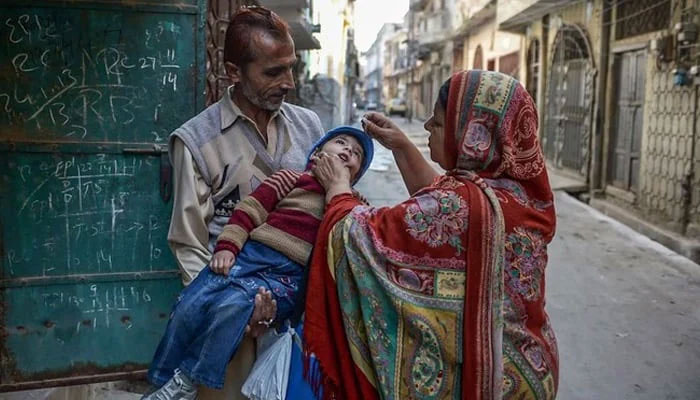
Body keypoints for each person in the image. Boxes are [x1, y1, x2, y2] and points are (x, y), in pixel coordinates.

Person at [304, 70, 559, 399]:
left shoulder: (463, 205)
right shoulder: (515, 195)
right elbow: (442, 194)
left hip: (493, 385)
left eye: (437, 124)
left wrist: (339, 190)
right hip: (533, 368)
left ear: (471, 137)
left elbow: (360, 234)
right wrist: (400, 145)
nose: (426, 127)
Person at [165, 6, 324, 399]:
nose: (288, 82)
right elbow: (189, 244)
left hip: (298, 315)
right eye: (273, 72)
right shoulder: (197, 141)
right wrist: (235, 307)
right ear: (234, 72)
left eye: (291, 67)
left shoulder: (309, 128)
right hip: (229, 322)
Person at [145, 127, 374, 400]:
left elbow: (354, 244)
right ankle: (163, 380)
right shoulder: (289, 179)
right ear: (316, 154)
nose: (348, 151)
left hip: (287, 278)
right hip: (252, 256)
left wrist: (344, 194)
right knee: (191, 301)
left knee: (232, 308)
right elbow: (249, 211)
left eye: (357, 154)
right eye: (340, 143)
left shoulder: (349, 203)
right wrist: (228, 247)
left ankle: (187, 380)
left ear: (356, 176)